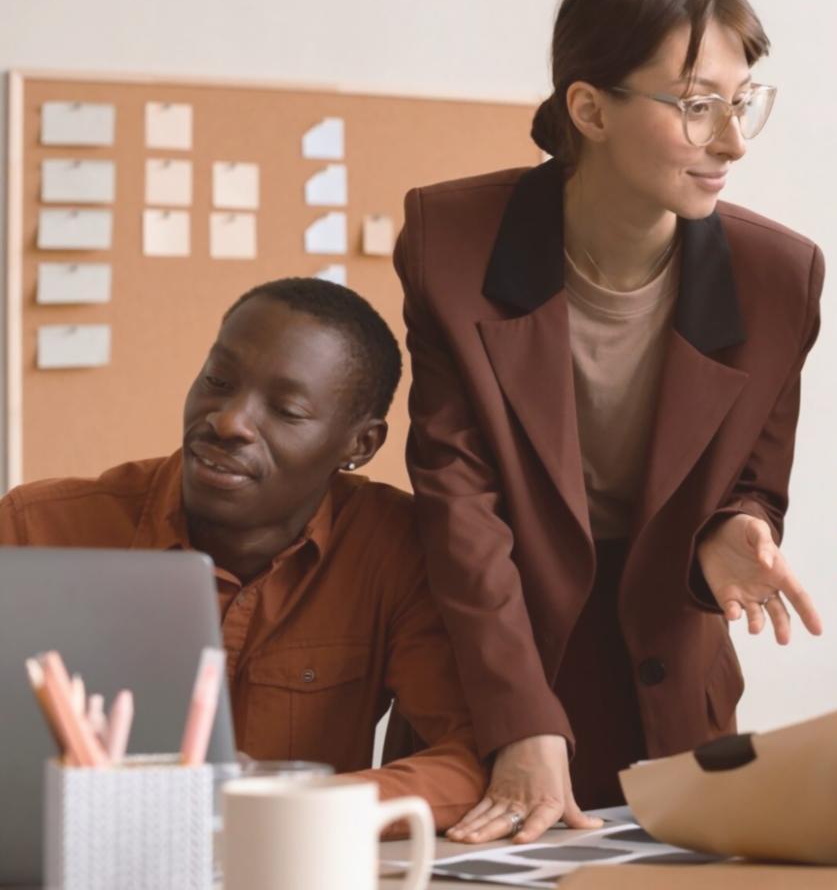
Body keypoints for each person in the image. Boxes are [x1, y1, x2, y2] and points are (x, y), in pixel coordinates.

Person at [395, 0, 826, 845]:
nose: (732, 143)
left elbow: (754, 477)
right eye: (696, 105)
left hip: (671, 661)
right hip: (499, 652)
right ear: (589, 108)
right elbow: (458, 502)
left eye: (741, 103)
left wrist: (733, 526)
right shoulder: (451, 245)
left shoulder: (780, 278)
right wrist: (520, 716)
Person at [0, 278, 485, 833]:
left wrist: (286, 806)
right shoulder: (35, 527)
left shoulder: (392, 547)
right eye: (217, 381)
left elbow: (472, 759)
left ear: (361, 444)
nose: (228, 422)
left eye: (286, 410)